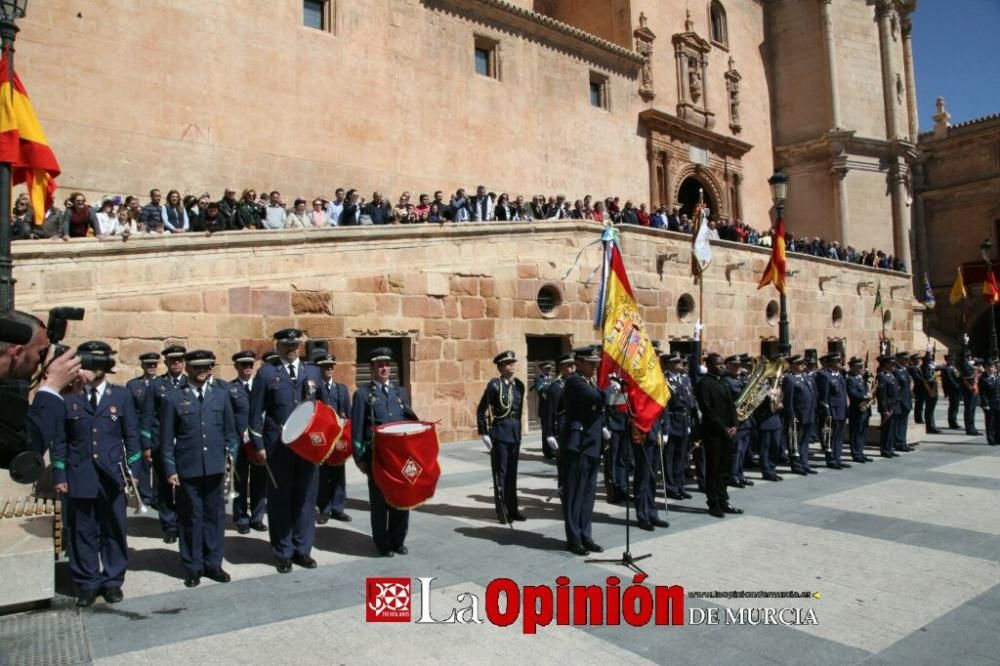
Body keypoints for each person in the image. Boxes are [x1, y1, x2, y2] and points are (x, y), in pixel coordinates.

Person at [52, 341, 140, 607]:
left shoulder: (121, 396)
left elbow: (132, 437)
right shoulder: (70, 398)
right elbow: (60, 441)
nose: (87, 369)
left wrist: (133, 472)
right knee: (82, 531)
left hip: (112, 476)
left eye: (92, 364)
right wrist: (60, 476)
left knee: (114, 529)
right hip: (80, 475)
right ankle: (87, 583)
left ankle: (113, 581)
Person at [248, 329, 325, 573]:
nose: (291, 348)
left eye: (295, 345)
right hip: (278, 448)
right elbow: (254, 415)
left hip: (307, 448)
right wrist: (259, 446)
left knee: (305, 499)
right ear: (278, 346)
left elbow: (323, 408)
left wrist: (325, 441)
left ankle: (303, 550)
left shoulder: (312, 371)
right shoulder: (267, 373)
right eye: (287, 345)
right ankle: (283, 552)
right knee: (280, 501)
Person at [160, 351, 238, 588]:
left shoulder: (221, 396)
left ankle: (213, 563)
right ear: (188, 369)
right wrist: (170, 468)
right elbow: (165, 439)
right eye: (199, 367)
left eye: (207, 366)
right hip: (189, 467)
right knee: (191, 518)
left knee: (214, 517)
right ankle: (193, 566)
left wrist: (230, 458)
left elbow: (231, 433)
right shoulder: (173, 399)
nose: (204, 370)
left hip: (215, 466)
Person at [351, 347, 418, 557]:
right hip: (377, 458)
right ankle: (382, 543)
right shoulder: (363, 395)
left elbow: (410, 420)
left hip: (400, 457)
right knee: (380, 503)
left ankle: (398, 540)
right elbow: (357, 429)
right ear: (371, 368)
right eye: (380, 365)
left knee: (401, 498)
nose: (384, 368)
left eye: (387, 364)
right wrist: (360, 458)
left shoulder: (401, 393)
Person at [559, 346, 608, 555]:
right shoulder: (574, 381)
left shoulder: (591, 382)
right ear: (578, 363)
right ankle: (574, 538)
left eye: (596, 363)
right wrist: (610, 391)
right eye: (590, 363)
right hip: (577, 444)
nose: (595, 367)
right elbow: (598, 400)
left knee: (588, 493)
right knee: (575, 493)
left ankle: (585, 534)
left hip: (592, 443)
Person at [477, 351, 526, 524]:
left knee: (512, 473)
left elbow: (518, 412)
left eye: (513, 362)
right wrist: (484, 432)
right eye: (508, 363)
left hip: (514, 433)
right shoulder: (494, 385)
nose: (512, 365)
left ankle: (513, 509)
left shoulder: (520, 385)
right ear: (500, 367)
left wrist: (518, 431)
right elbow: (481, 409)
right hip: (500, 432)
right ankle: (503, 511)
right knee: (501, 474)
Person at [695, 352, 742, 518]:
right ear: (709, 365)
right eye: (718, 363)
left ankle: (723, 499)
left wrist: (735, 425)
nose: (722, 366)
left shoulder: (723, 382)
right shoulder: (704, 384)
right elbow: (708, 411)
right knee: (713, 469)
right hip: (714, 433)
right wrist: (724, 428)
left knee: (724, 469)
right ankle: (713, 502)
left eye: (723, 363)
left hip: (728, 432)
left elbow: (732, 406)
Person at [229, 351, 267, 534]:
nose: (247, 368)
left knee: (260, 480)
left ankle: (257, 517)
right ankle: (241, 517)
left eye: (250, 365)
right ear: (236, 367)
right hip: (239, 443)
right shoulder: (229, 389)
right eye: (243, 365)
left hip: (258, 442)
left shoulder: (261, 387)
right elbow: (227, 417)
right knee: (240, 481)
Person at [315, 352, 352, 524]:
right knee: (322, 474)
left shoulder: (341, 389)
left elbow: (347, 413)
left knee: (338, 472)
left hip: (338, 438)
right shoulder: (314, 388)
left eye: (331, 366)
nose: (328, 369)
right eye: (325, 366)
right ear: (320, 368)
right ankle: (324, 508)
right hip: (322, 438)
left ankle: (338, 508)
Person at [125, 352, 160, 508]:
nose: (151, 367)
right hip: (140, 428)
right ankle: (145, 495)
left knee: (159, 462)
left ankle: (159, 496)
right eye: (148, 364)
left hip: (158, 428)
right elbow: (130, 409)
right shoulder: (133, 385)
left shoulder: (162, 383)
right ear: (142, 366)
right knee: (143, 462)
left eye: (154, 364)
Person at [662, 352, 695, 496]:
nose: (680, 364)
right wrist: (666, 428)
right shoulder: (664, 379)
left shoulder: (685, 379)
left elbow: (690, 399)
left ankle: (680, 485)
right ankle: (671, 487)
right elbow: (665, 405)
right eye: (676, 362)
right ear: (669, 364)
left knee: (682, 456)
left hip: (683, 419)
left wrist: (689, 421)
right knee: (669, 456)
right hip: (672, 418)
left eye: (680, 362)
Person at [752, 353, 785, 482]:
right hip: (764, 419)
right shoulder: (761, 384)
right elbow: (756, 401)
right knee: (765, 447)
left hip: (775, 419)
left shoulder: (777, 385)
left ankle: (772, 468)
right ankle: (766, 471)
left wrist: (779, 401)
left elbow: (781, 398)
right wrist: (767, 396)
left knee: (775, 445)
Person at [782, 354, 817, 475]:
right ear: (793, 365)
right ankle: (796, 465)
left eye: (803, 363)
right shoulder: (789, 379)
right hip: (798, 416)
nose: (803, 365)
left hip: (808, 414)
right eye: (800, 363)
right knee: (795, 441)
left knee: (805, 441)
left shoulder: (805, 377)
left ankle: (804, 463)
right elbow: (788, 400)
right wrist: (791, 415)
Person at [722, 355, 753, 487]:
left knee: (743, 451)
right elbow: (734, 398)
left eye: (739, 365)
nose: (738, 367)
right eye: (734, 365)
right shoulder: (726, 380)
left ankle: (740, 474)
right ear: (727, 365)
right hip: (735, 421)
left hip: (745, 420)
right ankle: (732, 476)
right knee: (736, 451)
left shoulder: (740, 379)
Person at [816, 353, 850, 470]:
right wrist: (827, 412)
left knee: (839, 437)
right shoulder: (825, 376)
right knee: (831, 437)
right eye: (837, 361)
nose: (840, 363)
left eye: (840, 361)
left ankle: (837, 458)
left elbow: (843, 394)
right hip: (832, 411)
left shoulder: (839, 375)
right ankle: (831, 459)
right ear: (831, 363)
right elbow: (823, 397)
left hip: (841, 410)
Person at [545, 354, 574, 488]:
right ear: (561, 368)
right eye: (568, 365)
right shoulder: (556, 387)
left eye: (573, 364)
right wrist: (549, 433)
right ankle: (564, 495)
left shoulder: (578, 383)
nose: (573, 368)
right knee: (564, 466)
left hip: (577, 430)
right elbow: (550, 412)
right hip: (563, 430)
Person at [845, 357, 874, 464]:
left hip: (865, 409)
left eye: (862, 366)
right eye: (859, 366)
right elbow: (852, 394)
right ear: (852, 367)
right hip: (857, 409)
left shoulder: (860, 378)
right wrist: (865, 396)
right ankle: (856, 453)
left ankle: (861, 452)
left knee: (863, 432)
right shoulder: (850, 379)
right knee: (856, 432)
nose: (862, 368)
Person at [876, 355, 901, 458]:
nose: (893, 366)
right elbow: (881, 395)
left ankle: (890, 448)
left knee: (892, 429)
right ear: (886, 364)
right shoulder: (882, 376)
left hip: (894, 406)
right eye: (892, 364)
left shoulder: (891, 375)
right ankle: (885, 449)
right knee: (886, 430)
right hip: (888, 407)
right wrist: (885, 409)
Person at [532, 361, 556, 460]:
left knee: (552, 429)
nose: (548, 371)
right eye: (546, 369)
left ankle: (553, 449)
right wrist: (552, 387)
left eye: (549, 369)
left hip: (553, 409)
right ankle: (547, 452)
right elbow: (540, 388)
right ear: (541, 369)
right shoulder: (538, 379)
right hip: (545, 409)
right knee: (546, 430)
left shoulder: (552, 379)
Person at [892, 352, 914, 452]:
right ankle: (898, 443)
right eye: (905, 359)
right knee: (898, 423)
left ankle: (903, 442)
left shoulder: (904, 370)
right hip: (900, 401)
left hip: (907, 400)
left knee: (904, 423)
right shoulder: (896, 371)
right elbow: (896, 388)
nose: (907, 361)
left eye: (907, 359)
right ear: (899, 359)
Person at [978, 360, 1000, 445]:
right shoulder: (983, 379)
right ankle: (990, 439)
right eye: (989, 367)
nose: (991, 369)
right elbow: (982, 394)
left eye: (992, 367)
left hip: (998, 402)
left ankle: (998, 438)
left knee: (998, 421)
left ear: (994, 368)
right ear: (986, 368)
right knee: (990, 422)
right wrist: (985, 404)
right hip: (989, 403)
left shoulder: (997, 377)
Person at [919, 352, 941, 434]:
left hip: (933, 389)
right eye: (929, 360)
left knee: (931, 409)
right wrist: (930, 390)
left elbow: (939, 369)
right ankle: (930, 426)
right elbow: (927, 379)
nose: (931, 361)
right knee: (929, 409)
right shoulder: (925, 368)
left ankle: (932, 425)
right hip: (929, 390)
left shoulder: (930, 367)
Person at [941, 353, 962, 430]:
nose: (952, 361)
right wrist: (957, 385)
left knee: (955, 406)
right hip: (952, 390)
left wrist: (960, 383)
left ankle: (954, 421)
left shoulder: (953, 368)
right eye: (950, 360)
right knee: (953, 406)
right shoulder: (946, 369)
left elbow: (958, 376)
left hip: (957, 389)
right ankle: (952, 422)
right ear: (947, 360)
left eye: (953, 360)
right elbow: (950, 380)